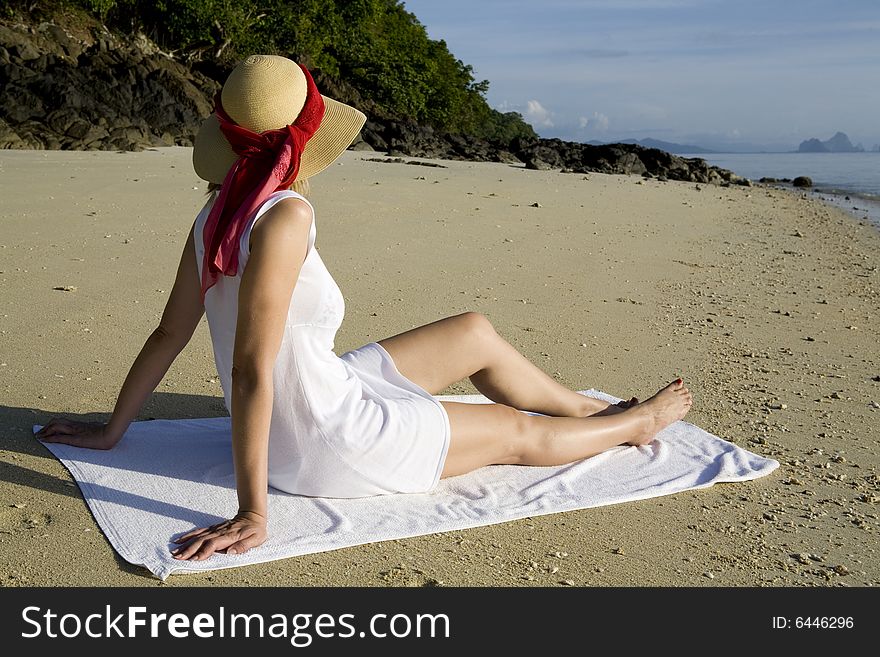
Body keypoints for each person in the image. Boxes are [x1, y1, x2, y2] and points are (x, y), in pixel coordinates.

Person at [35, 55, 692, 562]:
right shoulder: (286, 215)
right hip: (325, 440)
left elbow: (169, 331)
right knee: (509, 430)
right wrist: (252, 510)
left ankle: (587, 408)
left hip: (316, 397)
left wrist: (113, 432)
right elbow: (250, 369)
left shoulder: (215, 213)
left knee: (473, 332)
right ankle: (632, 426)